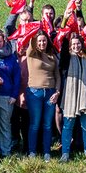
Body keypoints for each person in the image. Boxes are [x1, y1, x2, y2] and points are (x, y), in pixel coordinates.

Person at [22, 32, 60, 160]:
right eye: (39, 41)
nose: (42, 43)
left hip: (50, 93)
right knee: (35, 123)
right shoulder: (31, 53)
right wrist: (35, 29)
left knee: (48, 124)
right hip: (35, 92)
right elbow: (31, 41)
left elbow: (57, 76)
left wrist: (57, 92)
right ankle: (32, 151)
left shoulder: (52, 56)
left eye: (44, 41)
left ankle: (47, 152)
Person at [59, 32, 86, 161]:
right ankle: (65, 153)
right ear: (70, 45)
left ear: (82, 44)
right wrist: (66, 35)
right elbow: (63, 51)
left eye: (78, 43)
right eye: (73, 44)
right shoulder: (67, 58)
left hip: (85, 97)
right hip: (70, 97)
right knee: (67, 126)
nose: (76, 46)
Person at [0, 30, 21, 160]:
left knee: (5, 124)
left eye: (0, 41)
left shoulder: (11, 57)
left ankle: (5, 150)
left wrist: (14, 95)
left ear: (4, 41)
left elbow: (17, 78)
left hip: (7, 96)